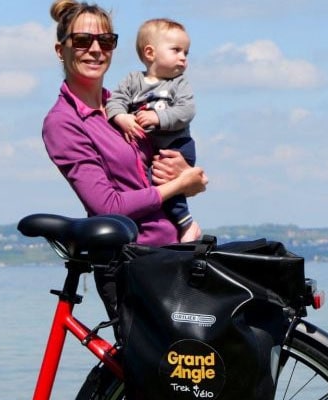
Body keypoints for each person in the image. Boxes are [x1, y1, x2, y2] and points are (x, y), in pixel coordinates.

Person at [42, 0, 208, 247]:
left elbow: (162, 167)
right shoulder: (64, 121)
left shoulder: (127, 106)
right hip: (132, 261)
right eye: (82, 40)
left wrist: (187, 176)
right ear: (60, 50)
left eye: (106, 41)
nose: (96, 49)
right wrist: (179, 185)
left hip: (175, 250)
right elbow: (108, 206)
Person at [106, 18, 200, 243]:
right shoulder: (132, 80)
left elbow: (186, 111)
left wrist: (157, 118)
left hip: (176, 146)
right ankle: (166, 227)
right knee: (148, 183)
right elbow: (115, 101)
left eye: (186, 52)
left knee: (163, 182)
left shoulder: (179, 83)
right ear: (150, 52)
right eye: (176, 50)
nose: (183, 58)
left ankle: (186, 224)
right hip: (150, 149)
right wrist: (122, 117)